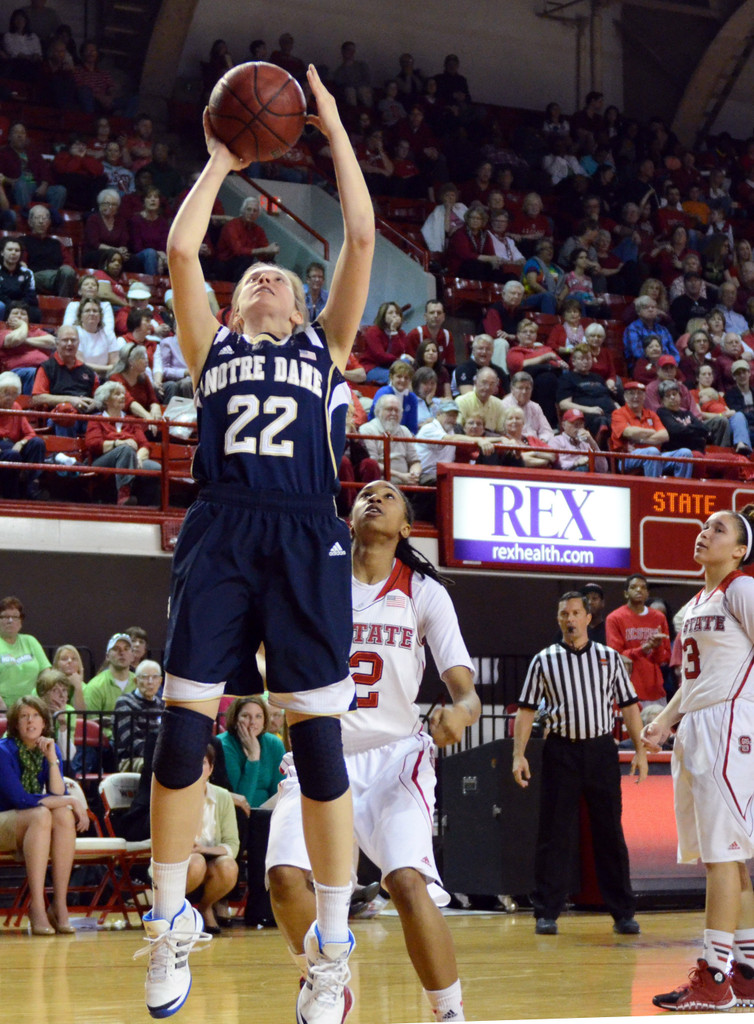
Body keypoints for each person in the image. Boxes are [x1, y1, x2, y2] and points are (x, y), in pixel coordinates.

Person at [137, 65, 374, 1024]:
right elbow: (184, 248)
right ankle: (165, 926)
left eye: (279, 272)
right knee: (184, 728)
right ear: (234, 310)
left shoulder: (328, 348)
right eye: (253, 276)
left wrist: (333, 127)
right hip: (224, 525)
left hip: (309, 530)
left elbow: (359, 233)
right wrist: (224, 158)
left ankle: (331, 948)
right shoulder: (213, 351)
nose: (266, 273)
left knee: (318, 753)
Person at [267, 479, 480, 1023]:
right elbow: (268, 646)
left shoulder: (424, 591)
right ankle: (323, 981)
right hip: (321, 750)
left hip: (393, 757)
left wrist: (459, 712)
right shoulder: (320, 579)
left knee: (407, 883)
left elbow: (466, 692)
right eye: (365, 494)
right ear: (350, 517)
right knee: (284, 878)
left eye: (389, 496)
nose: (374, 498)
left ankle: (449, 1013)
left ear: (407, 527)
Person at [644, 507, 754, 1011]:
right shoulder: (693, 604)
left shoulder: (742, 589)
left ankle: (714, 977)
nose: (704, 533)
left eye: (718, 529)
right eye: (703, 526)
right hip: (698, 723)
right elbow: (692, 681)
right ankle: (747, 972)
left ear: (739, 550)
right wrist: (666, 720)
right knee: (728, 856)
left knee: (722, 855)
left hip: (731, 723)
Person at [512, 591, 647, 936]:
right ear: (558, 620)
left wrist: (641, 751)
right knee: (554, 833)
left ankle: (623, 912)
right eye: (563, 614)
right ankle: (546, 911)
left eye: (575, 613)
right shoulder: (544, 660)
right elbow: (527, 710)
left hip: (601, 751)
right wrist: (518, 754)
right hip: (561, 751)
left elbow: (629, 704)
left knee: (610, 833)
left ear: (588, 618)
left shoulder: (609, 658)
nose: (569, 619)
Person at [0, 695, 89, 935]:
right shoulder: (4, 751)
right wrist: (70, 800)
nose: (30, 721)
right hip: (4, 818)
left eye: (35, 715)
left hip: (27, 823)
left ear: (44, 721)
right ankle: (37, 905)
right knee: (42, 814)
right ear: (15, 724)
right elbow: (18, 799)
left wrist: (51, 760)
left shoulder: (49, 747)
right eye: (24, 716)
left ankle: (59, 904)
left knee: (61, 815)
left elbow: (56, 792)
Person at [187, 744, 240, 934]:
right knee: (196, 862)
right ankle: (174, 912)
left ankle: (205, 907)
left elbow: (232, 844)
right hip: (181, 859)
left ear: (210, 768)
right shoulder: (174, 795)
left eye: (202, 763)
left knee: (228, 866)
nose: (196, 767)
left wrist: (204, 850)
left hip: (207, 855)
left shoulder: (223, 796)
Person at [84, 380, 160, 505]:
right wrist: (118, 443)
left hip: (131, 457)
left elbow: (144, 444)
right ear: (106, 400)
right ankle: (123, 496)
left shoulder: (131, 420)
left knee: (156, 468)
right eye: (117, 394)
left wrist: (138, 457)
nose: (123, 396)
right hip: (102, 460)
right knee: (125, 449)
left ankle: (149, 507)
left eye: (123, 394)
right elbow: (93, 444)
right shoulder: (96, 420)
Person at [606, 574, 671, 705]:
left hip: (655, 691)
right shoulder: (615, 618)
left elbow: (664, 658)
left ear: (647, 593)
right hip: (627, 690)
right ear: (626, 593)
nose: (639, 590)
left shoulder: (659, 617)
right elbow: (616, 656)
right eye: (633, 587)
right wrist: (644, 648)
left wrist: (657, 646)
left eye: (643, 587)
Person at [609, 381, 693, 479]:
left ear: (644, 396)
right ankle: (654, 491)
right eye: (631, 393)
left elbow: (664, 435)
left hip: (657, 456)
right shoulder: (618, 413)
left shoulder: (651, 414)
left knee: (685, 453)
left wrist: (639, 439)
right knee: (652, 452)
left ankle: (680, 490)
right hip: (628, 458)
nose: (636, 397)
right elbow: (628, 432)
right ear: (625, 397)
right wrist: (652, 432)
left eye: (639, 393)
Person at [31, 325, 100, 436]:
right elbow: (37, 398)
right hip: (60, 416)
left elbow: (100, 397)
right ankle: (66, 452)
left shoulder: (88, 371)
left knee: (104, 418)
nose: (69, 344)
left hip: (86, 415)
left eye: (73, 340)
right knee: (66, 413)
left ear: (78, 343)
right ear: (57, 344)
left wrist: (96, 403)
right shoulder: (47, 367)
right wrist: (71, 400)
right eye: (65, 340)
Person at [0, 369, 47, 499]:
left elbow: (30, 434)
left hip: (13, 446)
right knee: (12, 454)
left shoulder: (15, 406)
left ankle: (31, 488)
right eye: (6, 393)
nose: (10, 398)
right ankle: (11, 494)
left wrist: (21, 443)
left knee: (37, 443)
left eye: (14, 394)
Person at [0, 596, 50, 712]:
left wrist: (42, 698)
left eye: (15, 617)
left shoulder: (30, 641)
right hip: (3, 708)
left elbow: (46, 672)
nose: (10, 621)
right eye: (5, 617)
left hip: (33, 705)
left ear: (21, 622)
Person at [113, 660, 165, 771]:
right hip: (131, 759)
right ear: (136, 681)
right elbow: (131, 740)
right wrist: (156, 755)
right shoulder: (124, 703)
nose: (150, 682)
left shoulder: (162, 705)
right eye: (145, 677)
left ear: (160, 681)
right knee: (159, 767)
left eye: (155, 677)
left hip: (157, 756)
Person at [359, 394, 421, 486]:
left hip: (406, 482)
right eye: (389, 409)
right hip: (381, 484)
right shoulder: (367, 429)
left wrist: (414, 475)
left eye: (397, 410)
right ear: (378, 411)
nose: (393, 413)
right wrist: (401, 476)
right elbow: (373, 465)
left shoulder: (405, 430)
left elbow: (415, 461)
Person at [215, 195, 280, 281]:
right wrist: (266, 250)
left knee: (270, 263)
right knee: (245, 258)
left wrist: (272, 251)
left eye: (255, 211)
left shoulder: (258, 230)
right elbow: (238, 251)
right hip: (225, 263)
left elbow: (264, 252)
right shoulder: (232, 225)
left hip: (243, 263)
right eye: (249, 209)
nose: (251, 213)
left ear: (258, 215)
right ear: (243, 211)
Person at [21, 204, 77, 300]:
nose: (41, 221)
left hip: (57, 277)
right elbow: (22, 264)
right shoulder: (22, 241)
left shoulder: (57, 243)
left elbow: (69, 264)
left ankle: (62, 303)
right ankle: (63, 305)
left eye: (45, 218)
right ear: (30, 222)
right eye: (37, 218)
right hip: (35, 277)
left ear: (49, 222)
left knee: (68, 272)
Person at [360, 301, 410, 384]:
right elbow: (380, 356)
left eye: (397, 313)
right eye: (390, 313)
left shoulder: (401, 333)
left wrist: (394, 332)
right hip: (373, 367)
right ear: (383, 316)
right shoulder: (372, 331)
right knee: (396, 376)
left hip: (391, 366)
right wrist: (399, 358)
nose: (394, 315)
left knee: (407, 365)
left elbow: (400, 351)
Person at [549, 407, 608, 472]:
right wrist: (576, 463)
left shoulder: (586, 443)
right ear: (563, 425)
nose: (578, 426)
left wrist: (592, 442)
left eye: (581, 423)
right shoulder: (556, 441)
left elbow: (603, 469)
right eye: (574, 423)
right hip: (566, 477)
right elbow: (556, 465)